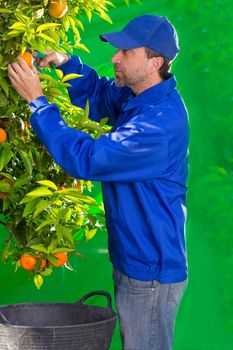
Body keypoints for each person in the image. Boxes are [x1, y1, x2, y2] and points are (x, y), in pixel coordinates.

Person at [8, 14, 189, 350]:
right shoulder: (139, 96)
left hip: (150, 269)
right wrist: (66, 64)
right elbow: (102, 96)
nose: (115, 57)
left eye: (126, 52)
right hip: (137, 257)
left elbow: (87, 159)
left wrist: (38, 103)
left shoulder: (158, 125)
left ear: (155, 63)